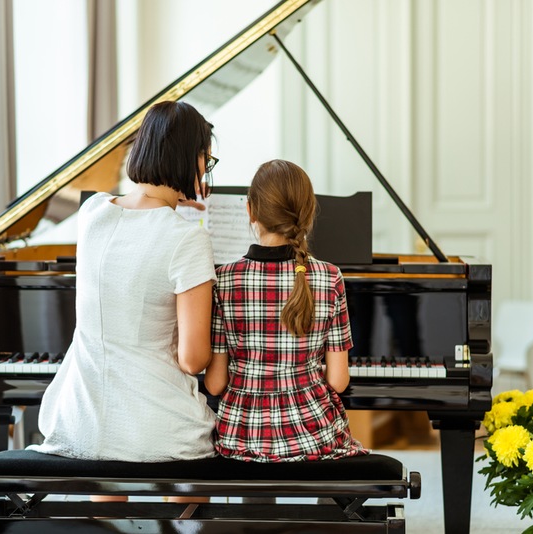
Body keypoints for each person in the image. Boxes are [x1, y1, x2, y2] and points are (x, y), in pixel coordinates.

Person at [29, 100, 220, 463]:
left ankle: (104, 520)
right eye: (205, 160)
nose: (205, 169)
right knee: (201, 444)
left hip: (79, 420)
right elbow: (193, 361)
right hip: (154, 424)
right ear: (188, 158)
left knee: (108, 454)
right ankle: (186, 521)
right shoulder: (188, 238)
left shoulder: (93, 212)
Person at [204, 159, 368, 462]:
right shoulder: (329, 277)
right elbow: (338, 381)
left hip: (241, 438)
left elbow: (215, 383)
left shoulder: (224, 279)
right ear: (308, 214)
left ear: (250, 210)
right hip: (312, 437)